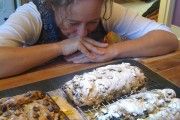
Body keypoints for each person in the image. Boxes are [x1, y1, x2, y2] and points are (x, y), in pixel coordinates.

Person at [0, 0, 178, 78]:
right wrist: (60, 47)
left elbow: (168, 39)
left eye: (92, 23)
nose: (82, 33)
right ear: (53, 5)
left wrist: (112, 51)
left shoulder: (107, 11)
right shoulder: (32, 15)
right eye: (72, 22)